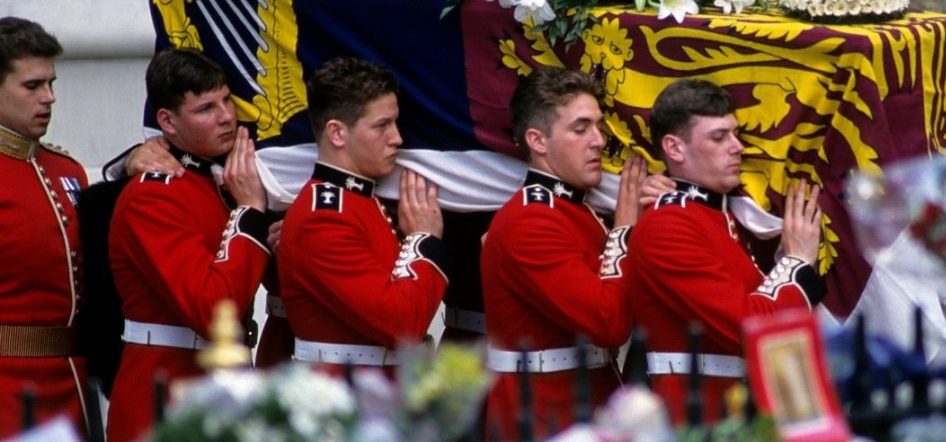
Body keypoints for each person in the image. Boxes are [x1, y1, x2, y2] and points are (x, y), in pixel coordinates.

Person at [626, 78, 826, 426]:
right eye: (719, 137)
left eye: (736, 134)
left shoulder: (719, 216)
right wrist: (797, 263)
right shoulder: (668, 226)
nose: (738, 147)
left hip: (737, 409)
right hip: (698, 415)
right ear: (674, 148)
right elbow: (747, 325)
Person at [106, 49, 273, 442]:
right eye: (205, 108)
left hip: (220, 386)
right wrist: (250, 213)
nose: (227, 116)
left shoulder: (218, 182)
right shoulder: (155, 196)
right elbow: (212, 309)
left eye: (227, 100)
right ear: (167, 121)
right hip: (166, 392)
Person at [482, 68, 651, 441]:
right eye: (581, 129)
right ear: (538, 141)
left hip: (591, 400)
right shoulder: (530, 221)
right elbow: (609, 323)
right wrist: (624, 228)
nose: (599, 141)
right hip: (543, 413)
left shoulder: (575, 208)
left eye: (599, 126)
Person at [276, 57, 450, 368]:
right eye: (382, 125)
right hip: (344, 396)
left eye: (395, 123)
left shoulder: (362, 199)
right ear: (337, 133)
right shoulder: (323, 218)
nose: (397, 137)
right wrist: (424, 240)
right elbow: (402, 326)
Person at [0, 17, 89, 440]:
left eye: (51, 84)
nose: (49, 98)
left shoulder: (66, 169)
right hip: (7, 389)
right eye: (32, 86)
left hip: (73, 380)